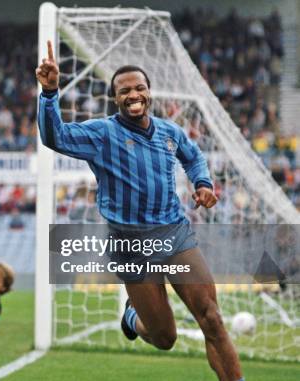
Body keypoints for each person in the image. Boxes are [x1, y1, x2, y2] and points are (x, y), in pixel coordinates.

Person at [36, 41, 244, 381]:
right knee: (165, 339)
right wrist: (49, 93)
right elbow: (54, 136)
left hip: (175, 234)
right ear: (115, 98)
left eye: (139, 88)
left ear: (149, 92)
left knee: (212, 318)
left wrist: (203, 183)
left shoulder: (169, 131)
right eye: (124, 91)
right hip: (131, 243)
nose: (133, 94)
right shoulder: (102, 133)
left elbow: (192, 156)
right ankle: (133, 318)